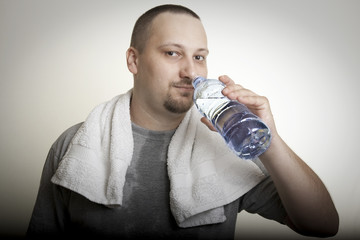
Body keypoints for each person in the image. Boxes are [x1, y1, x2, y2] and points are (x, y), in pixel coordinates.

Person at [27, 4, 339, 239]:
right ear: (134, 60)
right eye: (173, 53)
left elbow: (323, 225)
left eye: (199, 56)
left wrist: (269, 141)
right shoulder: (75, 145)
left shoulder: (228, 145)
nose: (191, 71)